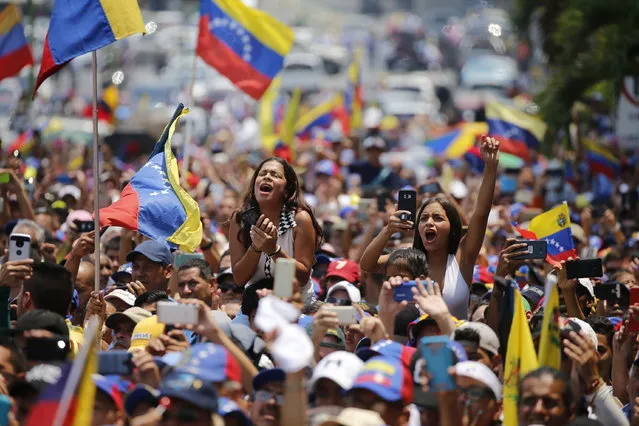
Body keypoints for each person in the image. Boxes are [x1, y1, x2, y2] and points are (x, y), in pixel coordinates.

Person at [360, 137, 500, 319]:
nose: (429, 222)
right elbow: (367, 265)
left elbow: (481, 213)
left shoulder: (462, 258)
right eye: (424, 218)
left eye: (438, 218)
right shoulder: (408, 258)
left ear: (452, 227)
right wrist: (387, 231)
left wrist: (490, 167)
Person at [229, 157, 323, 305]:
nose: (267, 177)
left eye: (275, 175)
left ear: (287, 188)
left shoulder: (300, 220)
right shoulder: (239, 219)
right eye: (262, 173)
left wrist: (274, 251)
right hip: (254, 308)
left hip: (296, 307)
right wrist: (256, 247)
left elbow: (302, 278)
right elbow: (239, 278)